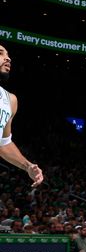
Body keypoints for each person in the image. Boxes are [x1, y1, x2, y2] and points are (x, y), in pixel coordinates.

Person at [0, 45, 44, 187]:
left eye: (8, 54)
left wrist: (27, 166)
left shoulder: (10, 100)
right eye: (0, 53)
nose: (8, 58)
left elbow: (4, 143)